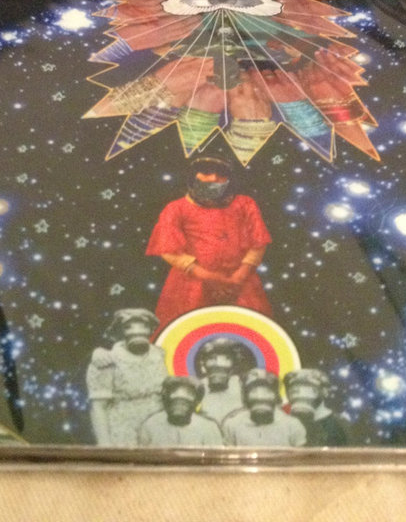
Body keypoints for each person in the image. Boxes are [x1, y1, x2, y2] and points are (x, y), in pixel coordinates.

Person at [145, 156, 271, 327]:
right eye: (206, 172)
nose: (213, 178)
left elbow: (259, 242)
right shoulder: (176, 208)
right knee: (188, 333)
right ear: (193, 176)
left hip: (240, 282)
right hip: (191, 285)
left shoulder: (245, 204)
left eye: (221, 174)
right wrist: (208, 277)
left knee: (246, 331)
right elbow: (168, 250)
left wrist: (239, 276)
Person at [86, 308, 166, 447]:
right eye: (128, 327)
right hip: (123, 430)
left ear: (150, 329)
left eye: (144, 326)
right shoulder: (106, 360)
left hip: (156, 429)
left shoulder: (159, 355)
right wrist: (105, 444)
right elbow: (98, 407)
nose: (137, 331)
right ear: (120, 331)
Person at [222, 369, 307, 447]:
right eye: (254, 391)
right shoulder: (232, 425)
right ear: (245, 397)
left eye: (267, 392)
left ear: (276, 396)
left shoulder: (293, 425)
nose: (260, 397)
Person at [137, 377, 225, 447]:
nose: (180, 399)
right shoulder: (150, 425)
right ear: (166, 398)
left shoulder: (208, 428)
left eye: (188, 394)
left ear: (196, 401)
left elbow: (215, 460)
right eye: (174, 393)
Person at [283, 368, 350, 446]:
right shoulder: (284, 424)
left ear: (325, 391)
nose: (302, 394)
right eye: (295, 390)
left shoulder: (339, 425)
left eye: (309, 388)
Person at [194, 337, 252, 426]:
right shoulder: (197, 386)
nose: (218, 364)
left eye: (226, 359)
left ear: (234, 363)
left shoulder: (243, 385)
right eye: (211, 358)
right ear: (203, 363)